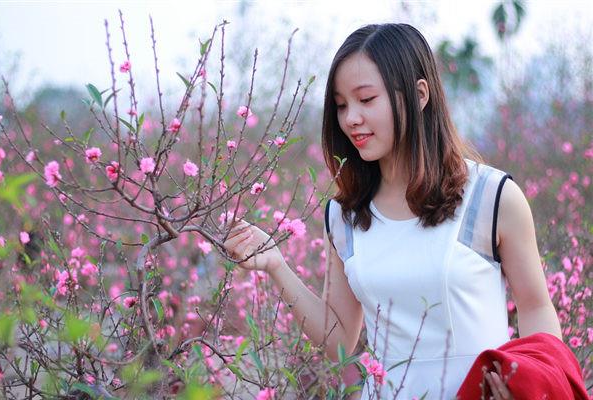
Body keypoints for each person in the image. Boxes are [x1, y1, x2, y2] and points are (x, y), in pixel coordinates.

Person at [224, 23, 562, 399]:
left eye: (366, 99)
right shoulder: (345, 216)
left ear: (419, 95)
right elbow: (339, 339)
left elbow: (535, 307)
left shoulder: (491, 197)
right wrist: (276, 264)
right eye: (341, 105)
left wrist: (533, 386)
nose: (350, 118)